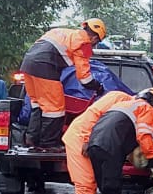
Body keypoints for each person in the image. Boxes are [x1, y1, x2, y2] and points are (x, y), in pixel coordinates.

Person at [19, 19, 106, 150]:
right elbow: (84, 78)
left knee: (37, 103)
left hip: (28, 64)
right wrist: (98, 86)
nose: (94, 45)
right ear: (94, 37)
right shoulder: (83, 43)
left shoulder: (61, 32)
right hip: (45, 66)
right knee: (55, 109)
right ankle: (49, 144)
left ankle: (32, 138)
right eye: (97, 42)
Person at [64, 90, 134, 194]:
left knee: (102, 180)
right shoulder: (119, 98)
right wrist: (86, 139)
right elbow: (94, 114)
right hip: (80, 137)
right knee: (85, 181)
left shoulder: (132, 107)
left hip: (95, 139)